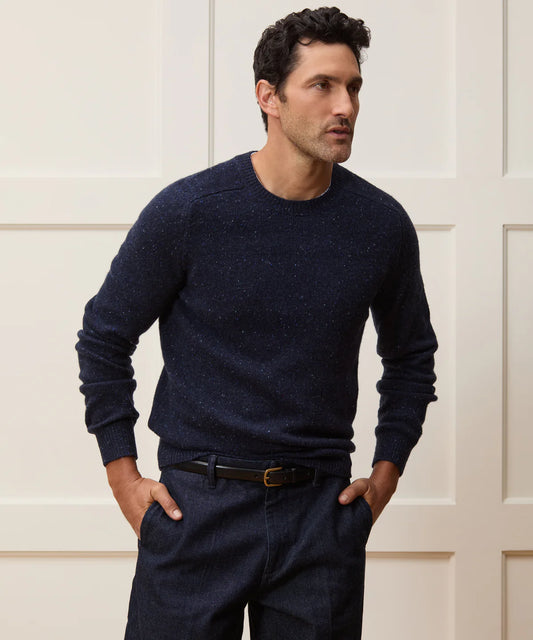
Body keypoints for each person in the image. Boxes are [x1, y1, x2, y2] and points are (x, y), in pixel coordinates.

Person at [76, 6, 437, 639]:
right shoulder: (190, 211)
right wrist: (124, 478)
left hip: (320, 517)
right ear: (268, 96)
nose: (345, 106)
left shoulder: (380, 225)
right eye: (322, 85)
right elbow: (104, 337)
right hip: (196, 508)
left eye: (353, 86)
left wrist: (383, 480)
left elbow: (411, 358)